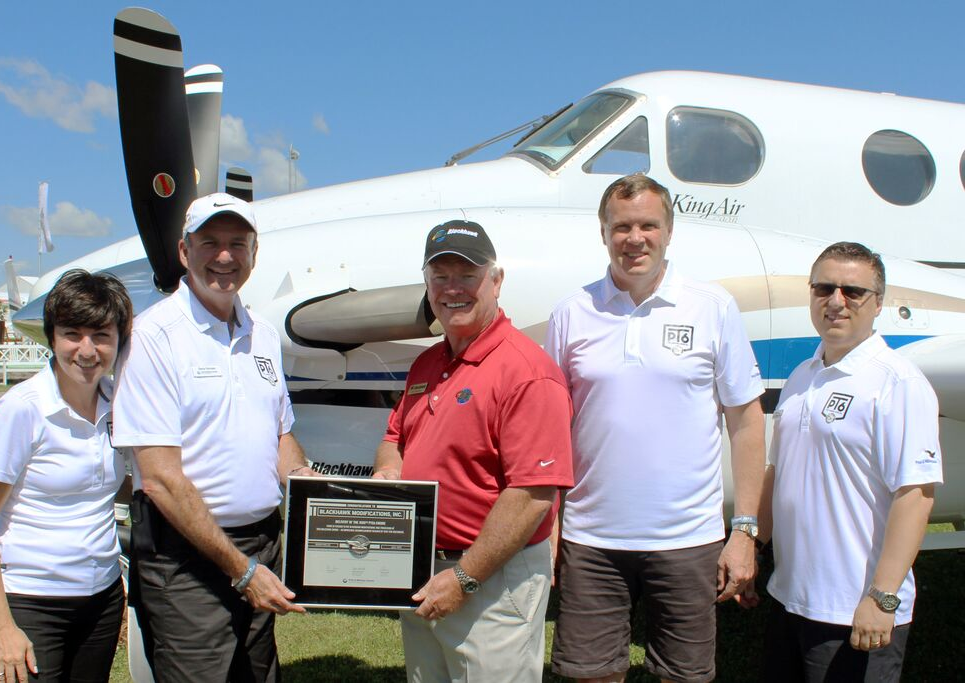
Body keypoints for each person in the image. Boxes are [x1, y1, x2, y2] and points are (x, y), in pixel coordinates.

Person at [545, 174, 766, 683]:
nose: (635, 238)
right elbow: (551, 426)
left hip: (689, 540)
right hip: (591, 540)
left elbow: (746, 422)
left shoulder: (712, 307)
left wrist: (745, 531)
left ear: (669, 231)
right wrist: (551, 523)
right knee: (586, 676)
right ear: (603, 233)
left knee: (684, 677)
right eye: (621, 226)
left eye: (648, 224)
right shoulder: (572, 312)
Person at [112, 192, 313, 682]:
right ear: (184, 251)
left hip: (263, 543)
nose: (225, 256)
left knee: (257, 675)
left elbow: (280, 434)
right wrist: (240, 569)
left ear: (254, 253)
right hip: (187, 558)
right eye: (210, 242)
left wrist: (310, 486)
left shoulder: (262, 333)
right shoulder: (153, 337)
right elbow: (159, 479)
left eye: (237, 243)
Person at [373, 219, 574, 682]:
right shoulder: (426, 363)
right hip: (422, 566)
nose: (453, 289)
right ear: (427, 285)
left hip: (491, 579)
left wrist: (464, 578)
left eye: (467, 275)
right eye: (440, 277)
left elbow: (533, 492)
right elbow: (393, 440)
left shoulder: (527, 371)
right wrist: (389, 473)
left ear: (496, 281)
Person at [756, 242, 943, 681]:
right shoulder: (802, 376)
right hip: (790, 600)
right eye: (824, 288)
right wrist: (755, 545)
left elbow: (915, 496)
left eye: (853, 291)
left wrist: (882, 599)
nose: (836, 301)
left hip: (856, 611)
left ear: (878, 304)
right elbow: (778, 472)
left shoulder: (898, 383)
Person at [0, 269, 133, 683]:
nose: (87, 350)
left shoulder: (120, 405)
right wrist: (2, 626)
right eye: (72, 334)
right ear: (51, 338)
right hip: (30, 602)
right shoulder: (23, 409)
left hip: (100, 601)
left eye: (102, 335)